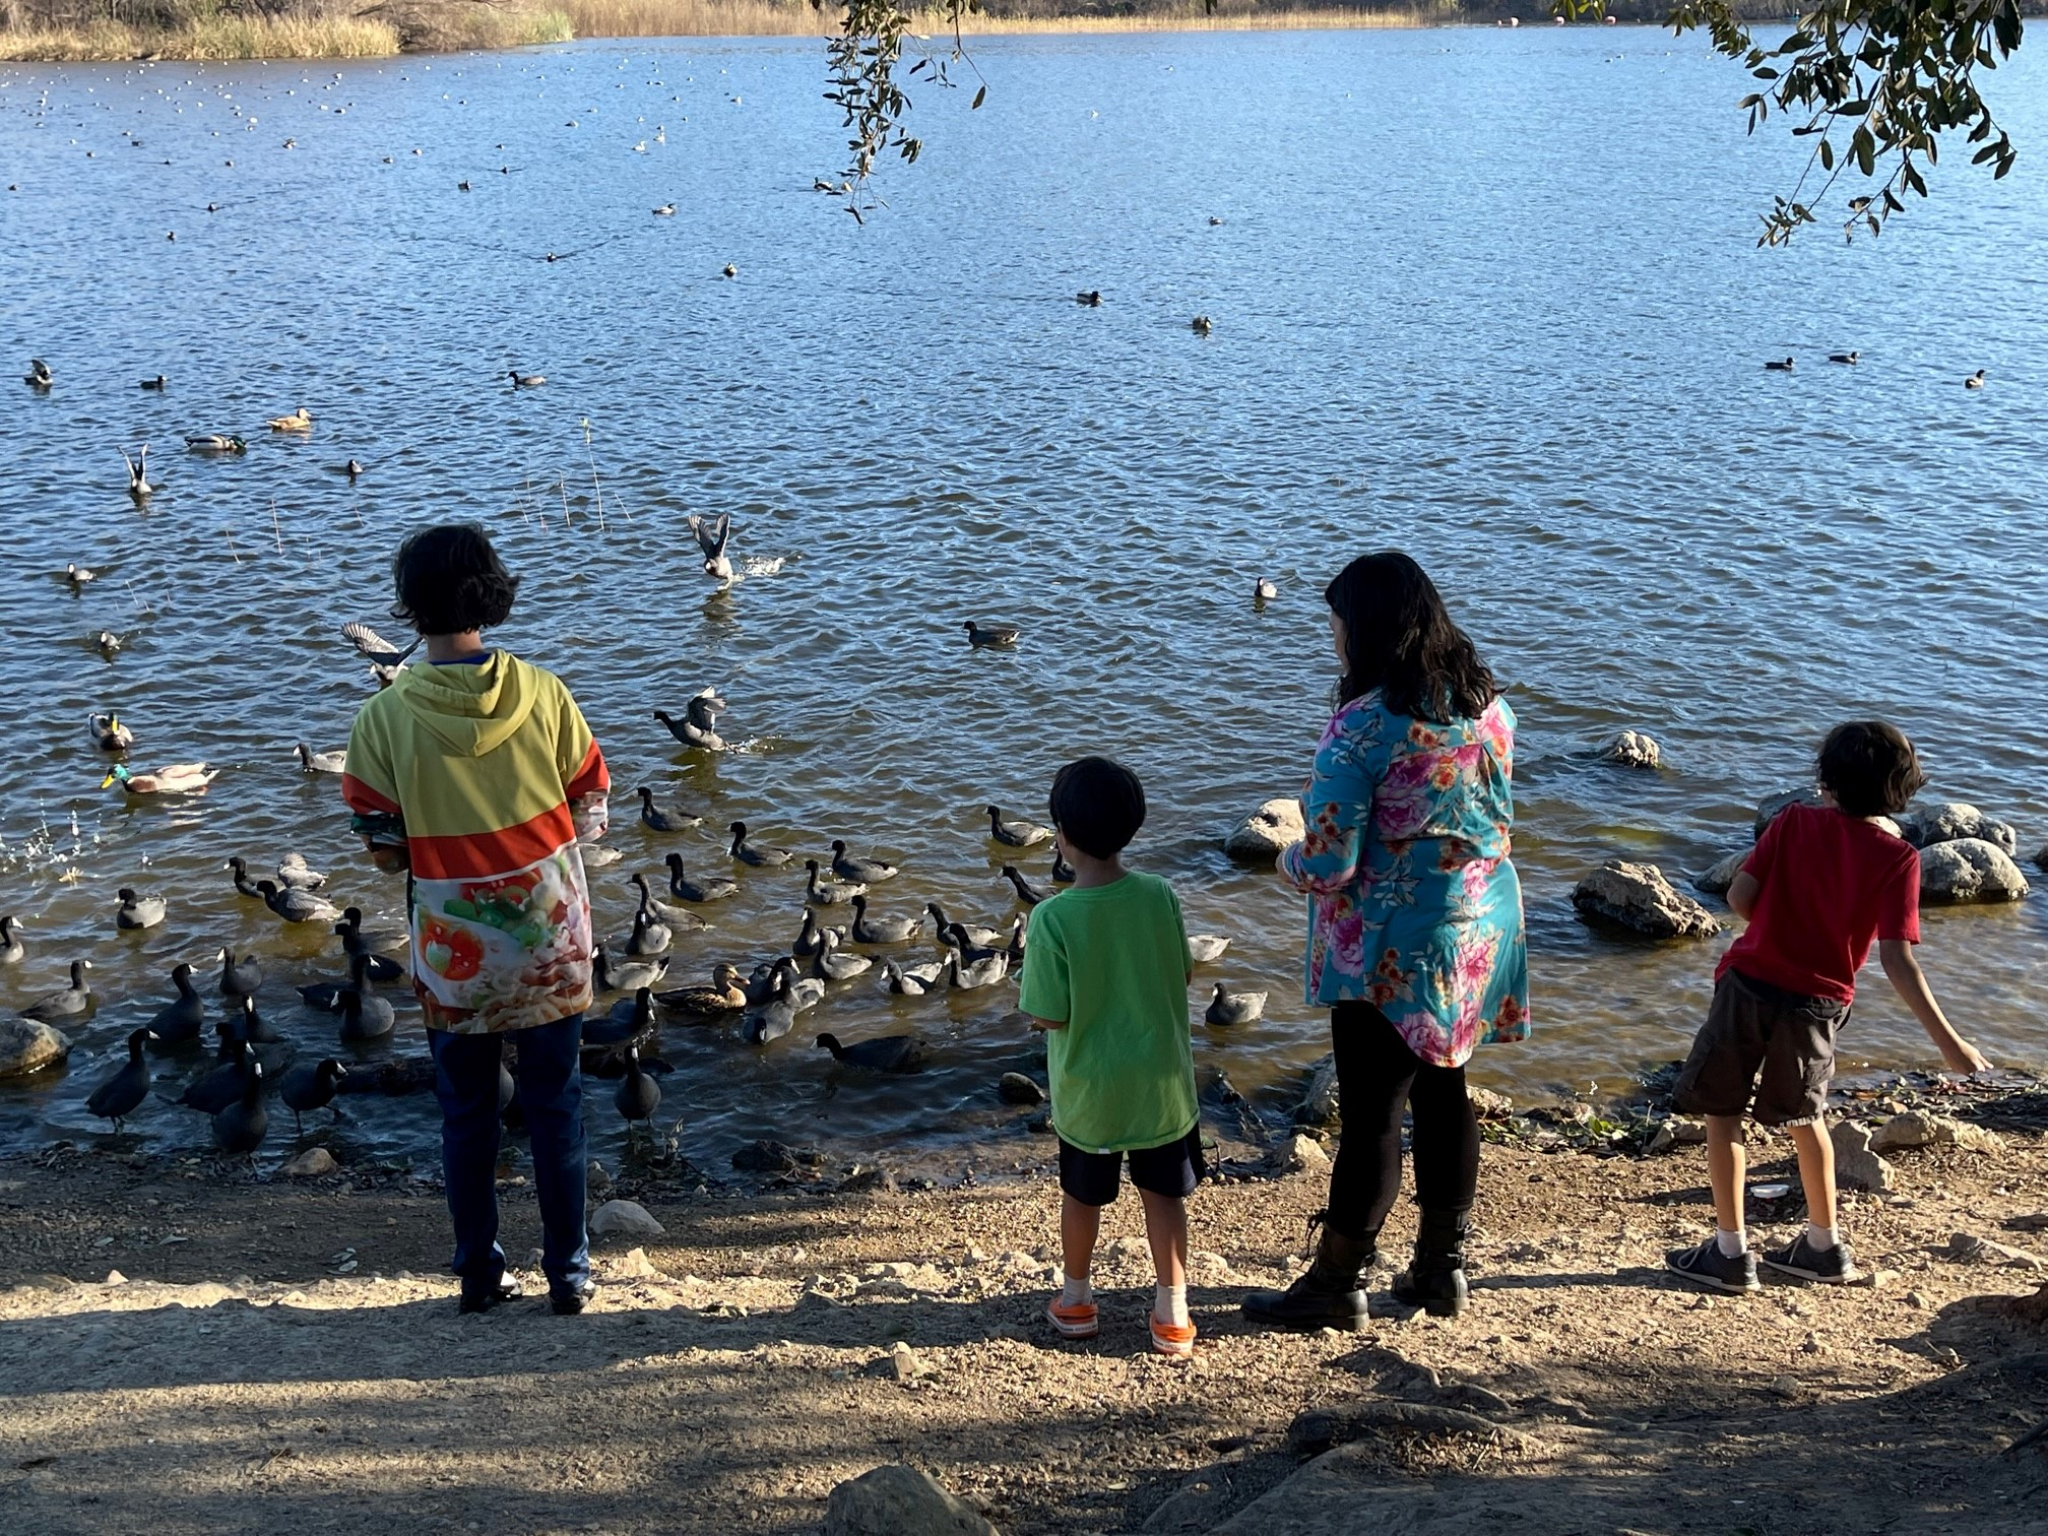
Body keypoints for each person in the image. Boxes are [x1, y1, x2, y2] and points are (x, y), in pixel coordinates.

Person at [1242, 551, 1527, 1330]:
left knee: (1372, 1115)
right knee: (1445, 1091)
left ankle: (1338, 1284)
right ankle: (1441, 1270)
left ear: (1365, 630)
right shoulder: (1489, 710)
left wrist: (1286, 861)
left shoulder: (1361, 728)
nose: (1332, 640)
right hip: (1479, 925)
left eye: (1337, 625)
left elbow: (1330, 862)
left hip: (1393, 943)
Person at [340, 523, 611, 1316]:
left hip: (452, 947)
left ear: (409, 605)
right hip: (549, 937)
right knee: (556, 1105)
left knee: (466, 1114)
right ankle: (569, 1272)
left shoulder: (383, 718)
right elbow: (591, 812)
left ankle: (478, 1273)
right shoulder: (546, 693)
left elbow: (383, 849)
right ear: (491, 593)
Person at [1666, 721, 1989, 1293]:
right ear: (1902, 788)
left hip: (1749, 984)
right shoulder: (1900, 858)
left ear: (1827, 781)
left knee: (1723, 1114)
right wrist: (1950, 1043)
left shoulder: (1793, 821)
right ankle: (1823, 1246)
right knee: (1805, 1118)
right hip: (1819, 1003)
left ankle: (1730, 1253)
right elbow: (1898, 961)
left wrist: (1776, 929)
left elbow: (1739, 896)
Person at [1018, 756, 1203, 1357]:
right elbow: (1183, 972)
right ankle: (1172, 1314)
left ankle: (1075, 1301)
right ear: (1133, 827)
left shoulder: (1051, 918)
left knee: (1082, 1198)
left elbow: (1049, 1014)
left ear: (1061, 837)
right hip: (1161, 1088)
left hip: (1090, 1094)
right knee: (1164, 1198)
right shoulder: (1159, 895)